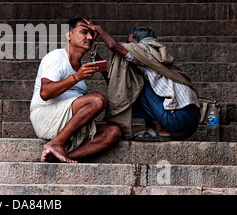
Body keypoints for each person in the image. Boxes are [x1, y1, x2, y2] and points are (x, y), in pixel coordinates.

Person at [86, 22, 201, 141]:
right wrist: (104, 68)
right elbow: (118, 86)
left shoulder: (145, 50)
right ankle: (159, 129)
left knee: (136, 86)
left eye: (129, 43)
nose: (126, 47)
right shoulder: (155, 56)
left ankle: (160, 130)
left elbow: (113, 46)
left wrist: (99, 29)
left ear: (137, 43)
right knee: (131, 84)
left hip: (178, 119)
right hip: (190, 124)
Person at [30, 18, 121, 163]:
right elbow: (45, 93)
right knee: (98, 100)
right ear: (69, 35)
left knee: (113, 132)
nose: (90, 37)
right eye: (84, 32)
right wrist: (76, 77)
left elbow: (116, 89)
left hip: (65, 120)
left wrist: (104, 70)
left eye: (92, 34)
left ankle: (61, 156)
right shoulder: (57, 56)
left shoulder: (80, 65)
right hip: (46, 117)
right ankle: (56, 143)